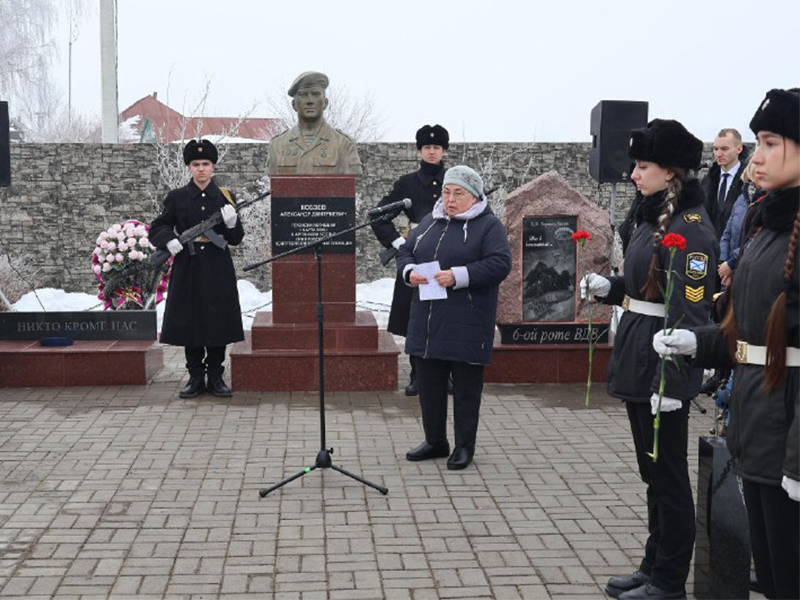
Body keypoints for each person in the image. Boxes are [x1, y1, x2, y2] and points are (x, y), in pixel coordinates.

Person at [654, 88, 800, 599]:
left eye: (770, 142)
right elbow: (749, 335)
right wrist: (695, 342)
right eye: (757, 142)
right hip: (758, 424)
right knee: (775, 575)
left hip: (787, 437)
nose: (755, 158)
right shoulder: (771, 226)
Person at [582, 119, 717, 599]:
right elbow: (642, 288)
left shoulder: (692, 230)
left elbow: (691, 311)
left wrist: (675, 384)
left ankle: (669, 580)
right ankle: (652, 564)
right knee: (651, 473)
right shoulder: (649, 217)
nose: (634, 175)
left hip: (664, 364)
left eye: (643, 166)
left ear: (671, 171)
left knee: (670, 478)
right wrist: (609, 289)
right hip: (639, 351)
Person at [397, 165, 511, 470]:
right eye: (446, 192)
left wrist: (459, 276)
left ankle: (464, 446)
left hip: (467, 322)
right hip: (428, 321)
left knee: (465, 390)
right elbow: (406, 252)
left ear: (474, 196)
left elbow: (500, 263)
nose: (450, 199)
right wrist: (410, 271)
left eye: (458, 193)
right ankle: (435, 440)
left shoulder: (488, 226)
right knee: (429, 387)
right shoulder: (428, 222)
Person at [149, 139, 245, 398]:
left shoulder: (225, 197)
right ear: (189, 167)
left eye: (206, 164)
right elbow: (158, 226)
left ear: (213, 166)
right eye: (196, 164)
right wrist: (169, 240)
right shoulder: (177, 197)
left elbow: (235, 238)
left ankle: (215, 376)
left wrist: (232, 222)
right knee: (191, 321)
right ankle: (195, 376)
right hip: (188, 266)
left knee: (217, 321)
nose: (201, 169)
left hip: (217, 267)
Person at [371, 124, 449, 395]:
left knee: (445, 318)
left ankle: (445, 376)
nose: (431, 152)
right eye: (427, 147)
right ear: (419, 150)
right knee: (416, 317)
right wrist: (398, 242)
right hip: (417, 258)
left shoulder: (454, 179)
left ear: (443, 150)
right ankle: (418, 375)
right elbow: (378, 215)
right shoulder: (406, 183)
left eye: (436, 147)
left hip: (449, 256)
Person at [267, 71, 362, 176]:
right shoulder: (277, 145)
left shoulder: (344, 144)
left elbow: (350, 186)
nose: (310, 101)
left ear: (325, 103)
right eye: (303, 95)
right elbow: (274, 185)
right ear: (294, 105)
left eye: (316, 94)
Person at [701, 128, 750, 239]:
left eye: (724, 149)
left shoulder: (749, 181)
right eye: (715, 149)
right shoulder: (707, 181)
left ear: (739, 148)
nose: (718, 154)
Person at [718, 162, 757, 287]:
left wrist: (731, 263)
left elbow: (756, 240)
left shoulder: (766, 201)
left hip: (747, 266)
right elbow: (727, 231)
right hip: (729, 267)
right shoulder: (741, 199)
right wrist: (723, 260)